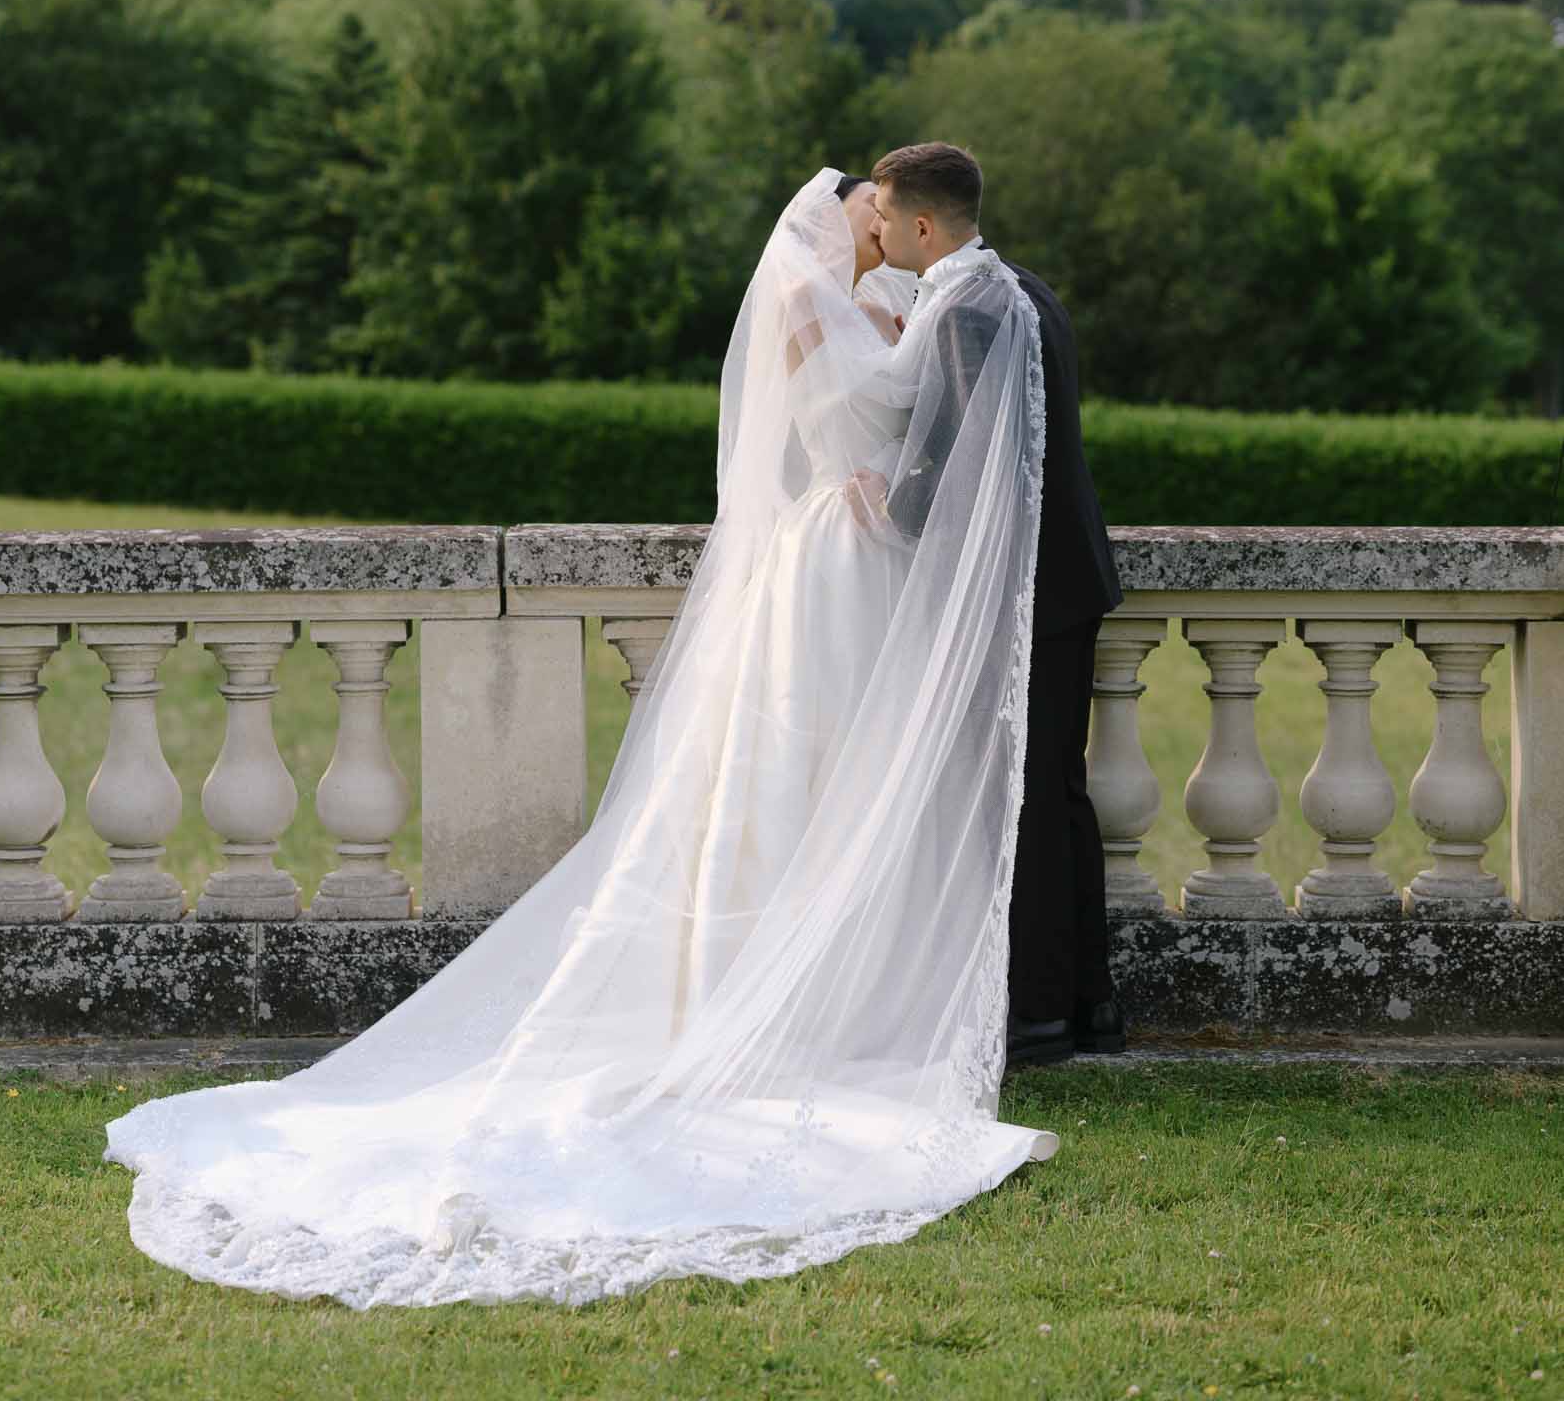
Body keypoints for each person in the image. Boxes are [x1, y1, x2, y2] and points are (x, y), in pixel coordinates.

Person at [105, 168, 1056, 1308]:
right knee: (786, 775)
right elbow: (840, 415)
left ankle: (838, 998)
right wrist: (900, 353)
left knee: (859, 780)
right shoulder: (813, 309)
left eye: (881, 213)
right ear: (827, 230)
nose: (875, 230)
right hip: (826, 564)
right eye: (860, 214)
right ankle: (745, 1007)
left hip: (870, 567)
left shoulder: (890, 309)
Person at [866, 143, 1124, 1068]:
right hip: (1066, 579)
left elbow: (968, 450)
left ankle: (1039, 1016)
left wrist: (888, 504)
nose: (878, 228)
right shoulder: (1023, 287)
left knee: (1017, 800)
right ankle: (1088, 1005)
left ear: (923, 226)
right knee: (1057, 792)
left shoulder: (967, 311)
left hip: (1028, 592)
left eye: (886, 216)